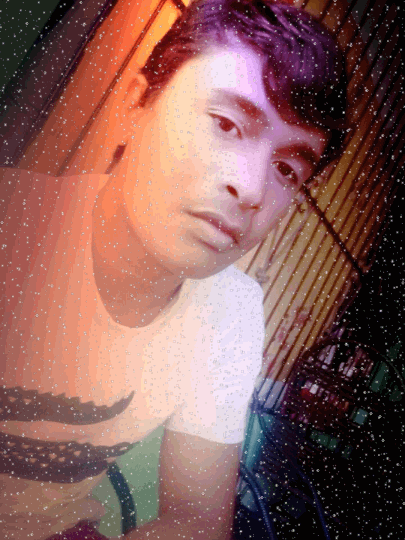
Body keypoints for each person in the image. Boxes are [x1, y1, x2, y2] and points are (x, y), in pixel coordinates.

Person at [0, 0, 347, 538]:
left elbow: (197, 518)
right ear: (135, 104)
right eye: (226, 124)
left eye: (286, 168)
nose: (251, 189)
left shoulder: (229, 314)